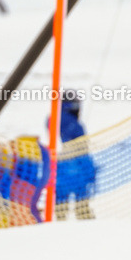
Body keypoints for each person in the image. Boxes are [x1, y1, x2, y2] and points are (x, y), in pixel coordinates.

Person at [50, 90, 96, 220]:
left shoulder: (52, 121)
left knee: (60, 210)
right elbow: (83, 150)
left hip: (59, 172)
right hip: (77, 172)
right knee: (82, 208)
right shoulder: (76, 126)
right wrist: (90, 170)